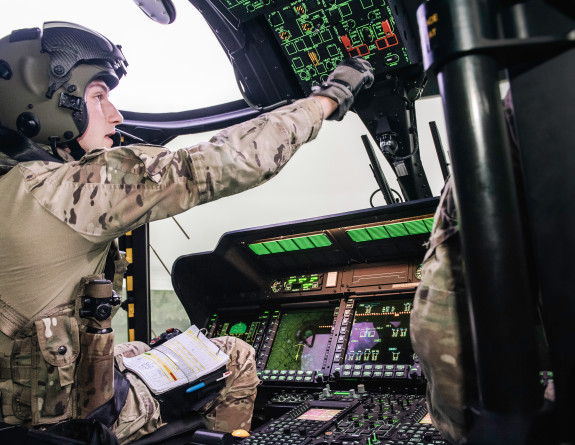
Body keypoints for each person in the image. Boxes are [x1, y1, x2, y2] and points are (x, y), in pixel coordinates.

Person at [0, 21, 374, 444]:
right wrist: (326, 99)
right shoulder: (59, 188)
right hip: (71, 425)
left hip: (20, 410)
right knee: (235, 354)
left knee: (141, 351)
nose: (116, 115)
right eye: (99, 96)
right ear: (51, 104)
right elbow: (231, 159)